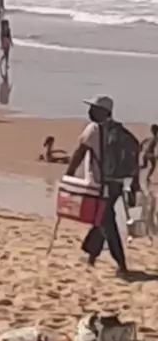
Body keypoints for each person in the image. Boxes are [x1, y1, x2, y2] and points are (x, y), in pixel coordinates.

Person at [66, 95, 131, 277]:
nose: (90, 111)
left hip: (101, 185)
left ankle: (121, 263)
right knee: (101, 218)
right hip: (116, 184)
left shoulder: (94, 130)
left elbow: (79, 152)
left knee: (106, 223)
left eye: (94, 108)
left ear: (104, 112)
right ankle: (92, 255)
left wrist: (68, 175)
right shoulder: (118, 130)